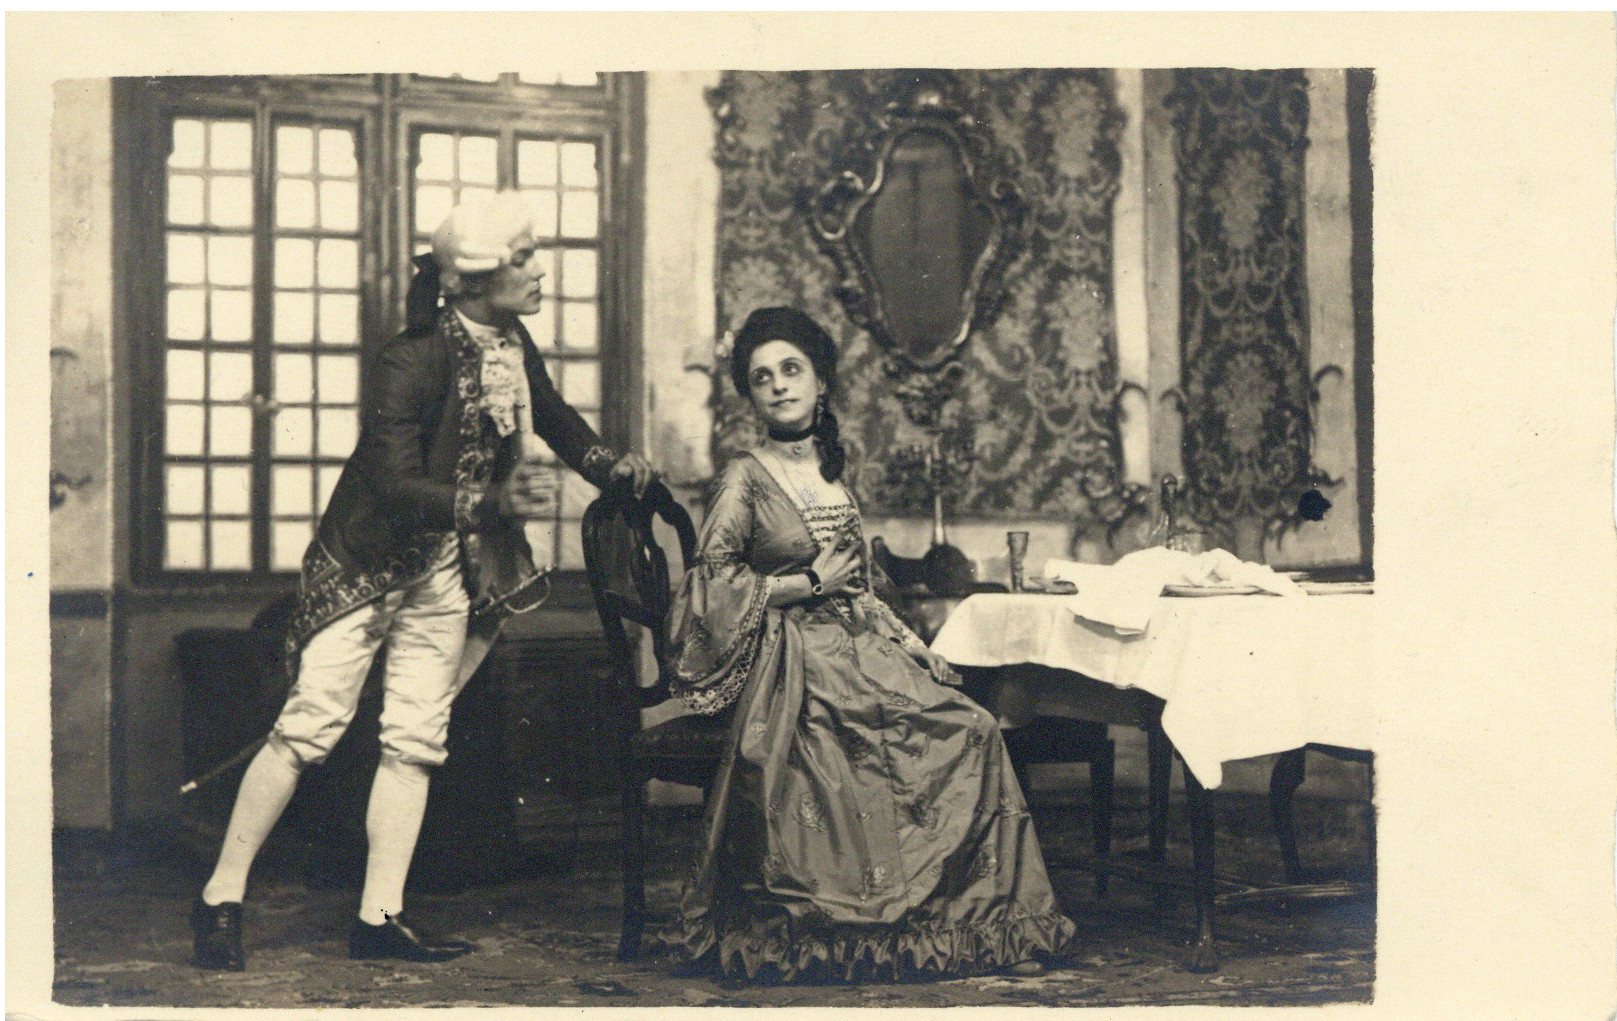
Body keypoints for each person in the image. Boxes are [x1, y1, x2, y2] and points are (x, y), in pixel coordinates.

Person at [190, 191, 657, 970]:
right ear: (473, 279)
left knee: (414, 737)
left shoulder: (512, 343)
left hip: (445, 569)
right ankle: (219, 898)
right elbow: (392, 482)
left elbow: (552, 415)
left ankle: (379, 915)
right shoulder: (409, 359)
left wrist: (609, 466)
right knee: (309, 726)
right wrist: (493, 502)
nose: (539, 271)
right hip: (367, 565)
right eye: (523, 258)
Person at [665, 306, 1077, 983]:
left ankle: (967, 925)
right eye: (762, 377)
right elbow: (709, 585)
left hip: (863, 646)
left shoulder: (832, 470)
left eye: (791, 369)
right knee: (849, 746)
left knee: (972, 727)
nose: (778, 385)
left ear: (820, 381)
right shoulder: (743, 477)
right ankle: (858, 931)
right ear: (751, 395)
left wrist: (915, 647)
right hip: (794, 661)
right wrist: (805, 582)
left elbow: (859, 588)